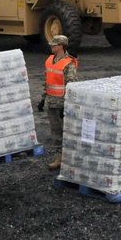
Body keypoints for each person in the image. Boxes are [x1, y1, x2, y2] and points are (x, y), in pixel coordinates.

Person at [43, 34, 78, 171]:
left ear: (61, 47)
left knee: (67, 132)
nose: (51, 46)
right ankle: (59, 157)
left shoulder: (68, 63)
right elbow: (47, 80)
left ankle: (69, 158)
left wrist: (67, 105)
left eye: (54, 44)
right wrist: (42, 98)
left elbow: (72, 85)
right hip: (51, 102)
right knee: (55, 131)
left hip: (62, 104)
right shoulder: (50, 60)